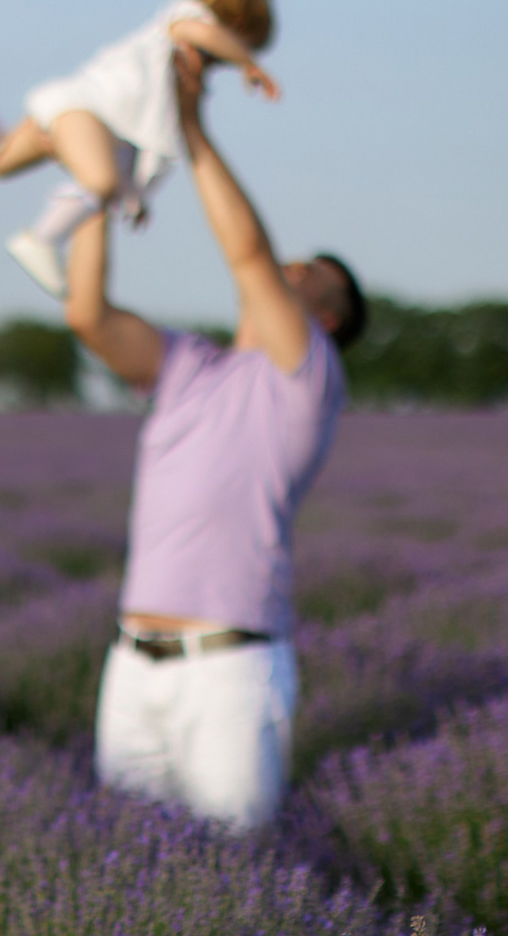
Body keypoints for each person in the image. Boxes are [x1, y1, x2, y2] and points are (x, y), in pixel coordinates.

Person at [64, 46, 363, 832]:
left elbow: (247, 254)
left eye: (310, 273)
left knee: (236, 865)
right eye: (294, 261)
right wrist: (98, 190)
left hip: (232, 670)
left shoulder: (307, 378)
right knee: (126, 860)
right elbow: (88, 315)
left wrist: (191, 128)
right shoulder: (189, 363)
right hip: (133, 663)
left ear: (325, 319)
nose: (290, 267)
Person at [0, 0, 282, 296]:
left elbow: (146, 141)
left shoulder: (171, 80)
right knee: (100, 181)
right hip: (87, 110)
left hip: (81, 110)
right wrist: (249, 63)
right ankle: (41, 239)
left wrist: (136, 193)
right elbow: (200, 32)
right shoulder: (186, 18)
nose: (218, 66)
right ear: (235, 24)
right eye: (224, 56)